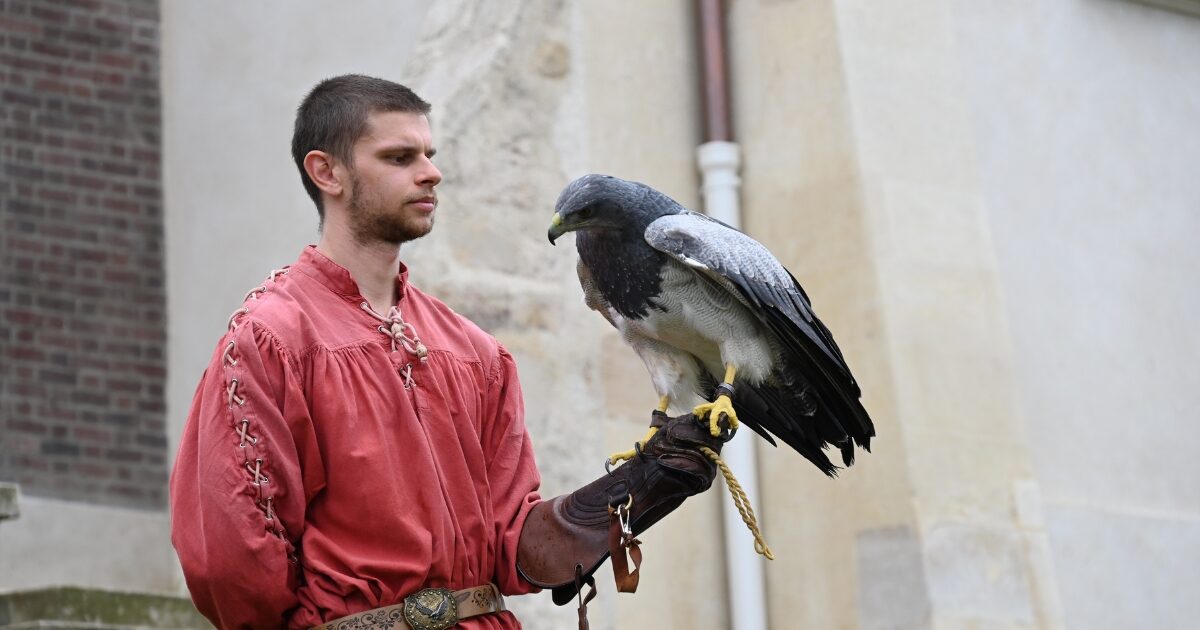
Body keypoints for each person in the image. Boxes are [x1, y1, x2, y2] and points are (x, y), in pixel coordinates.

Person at [170, 74, 725, 630]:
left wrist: (630, 491)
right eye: (399, 156)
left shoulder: (475, 352)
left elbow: (513, 549)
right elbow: (229, 560)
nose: (430, 171)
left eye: (429, 154)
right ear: (327, 172)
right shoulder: (271, 340)